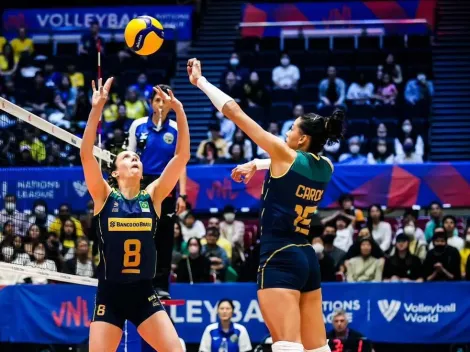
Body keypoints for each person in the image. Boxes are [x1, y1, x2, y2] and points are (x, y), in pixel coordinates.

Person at [189, 57, 344, 351]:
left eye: (292, 130)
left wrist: (201, 82)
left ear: (302, 139)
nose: (286, 133)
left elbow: (234, 111)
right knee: (318, 349)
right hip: (307, 257)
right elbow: (288, 167)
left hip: (279, 256)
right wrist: (257, 164)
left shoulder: (284, 155)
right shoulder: (327, 167)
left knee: (287, 346)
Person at [80, 77, 189, 351]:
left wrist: (179, 111)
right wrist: (97, 109)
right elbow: (85, 156)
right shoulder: (104, 196)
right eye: (128, 158)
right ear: (115, 172)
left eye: (137, 158)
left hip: (143, 293)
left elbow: (181, 157)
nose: (135, 159)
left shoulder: (152, 196)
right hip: (110, 293)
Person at [127, 84, 188, 298]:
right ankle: (140, 282)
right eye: (157, 100)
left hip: (167, 184)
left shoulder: (177, 129)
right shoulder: (138, 126)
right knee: (142, 234)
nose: (161, 105)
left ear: (172, 104)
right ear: (151, 103)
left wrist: (182, 194)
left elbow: (181, 163)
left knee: (164, 237)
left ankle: (161, 285)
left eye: (165, 101)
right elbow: (129, 158)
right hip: (142, 185)